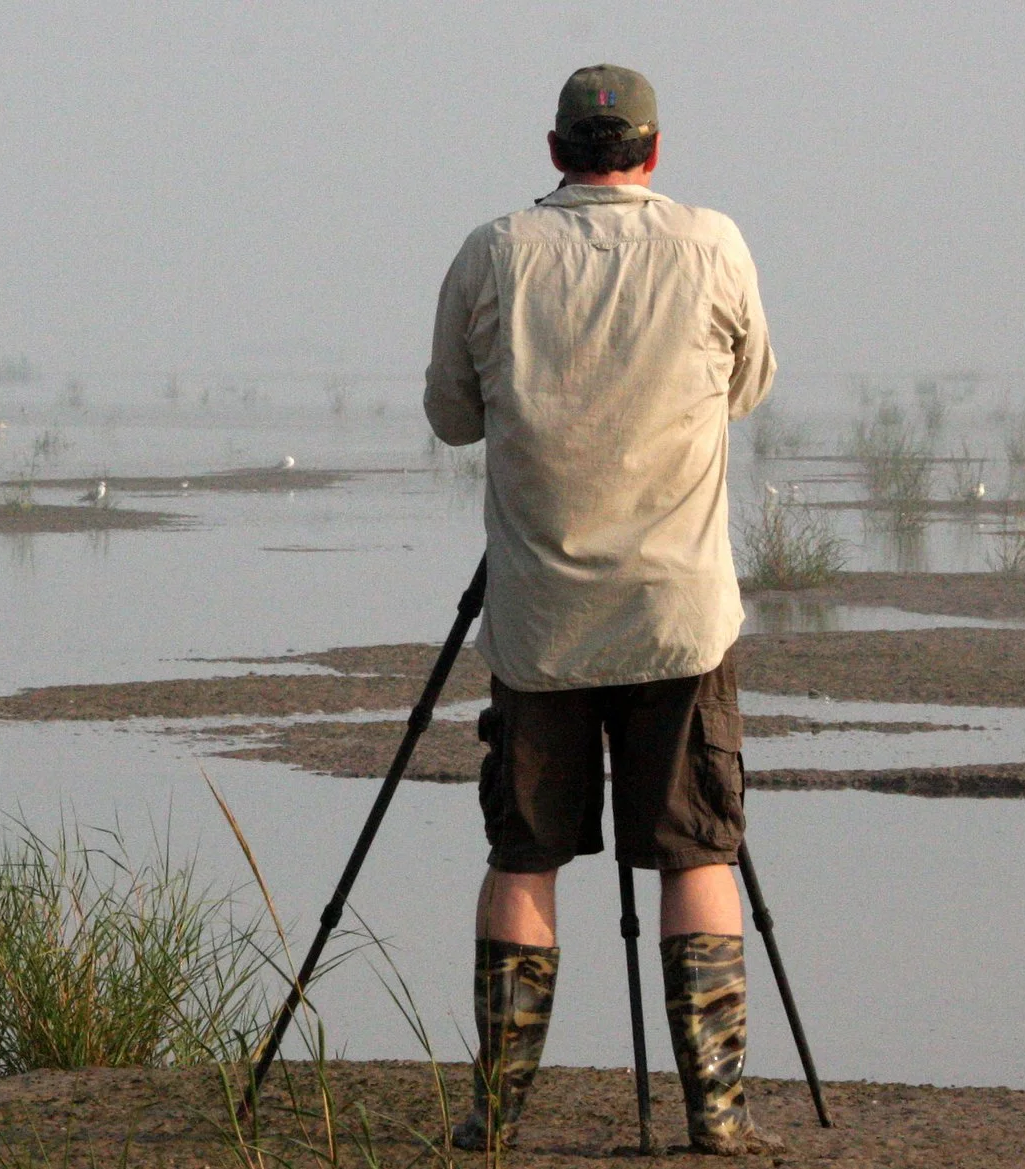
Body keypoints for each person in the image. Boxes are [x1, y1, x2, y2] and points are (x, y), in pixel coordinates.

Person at [422, 63, 779, 1155]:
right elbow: (749, 382)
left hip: (539, 621)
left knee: (525, 854)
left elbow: (450, 416)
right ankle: (715, 1117)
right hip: (678, 612)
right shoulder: (711, 242)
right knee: (696, 850)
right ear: (653, 152)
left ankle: (496, 1117)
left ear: (554, 148)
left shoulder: (493, 252)